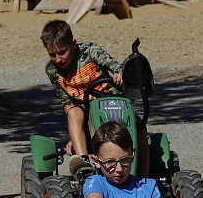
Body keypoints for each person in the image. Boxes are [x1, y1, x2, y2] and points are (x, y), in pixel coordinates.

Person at [40, 20, 149, 177]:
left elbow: (115, 66)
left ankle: (143, 177)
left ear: (73, 44)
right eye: (52, 55)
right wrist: (73, 137)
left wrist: (119, 75)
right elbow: (66, 102)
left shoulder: (89, 51)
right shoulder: (51, 70)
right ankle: (84, 163)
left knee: (140, 128)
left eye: (62, 52)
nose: (58, 59)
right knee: (73, 111)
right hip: (86, 113)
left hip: (112, 102)